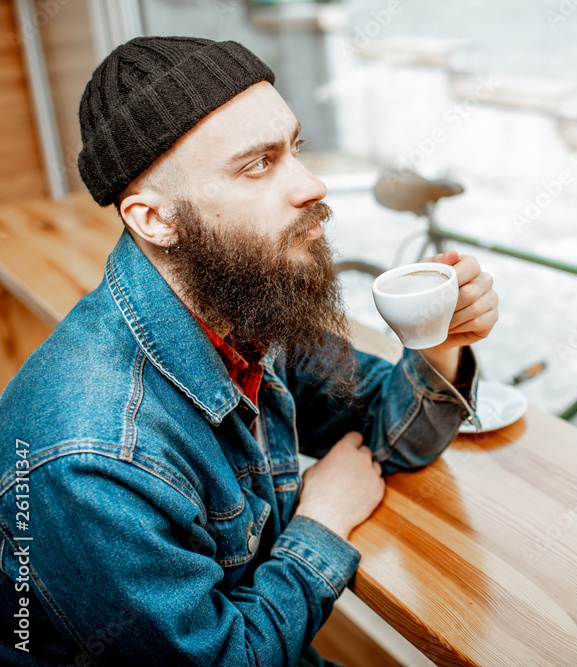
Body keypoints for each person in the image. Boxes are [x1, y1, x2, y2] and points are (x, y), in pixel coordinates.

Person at [0, 36, 498, 665]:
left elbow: (392, 434)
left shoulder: (236, 298)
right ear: (154, 219)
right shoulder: (92, 461)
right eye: (257, 164)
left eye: (295, 149)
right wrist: (322, 523)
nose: (312, 185)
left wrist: (438, 344)